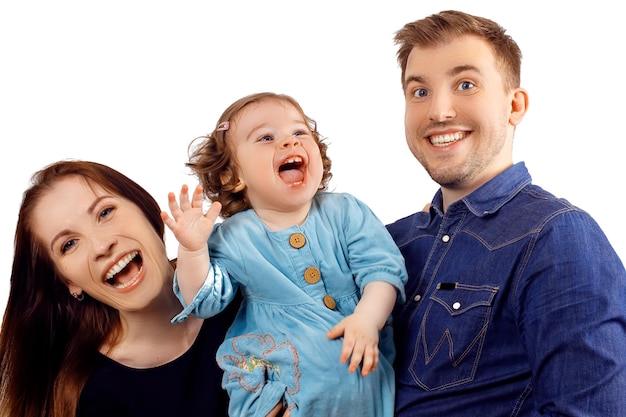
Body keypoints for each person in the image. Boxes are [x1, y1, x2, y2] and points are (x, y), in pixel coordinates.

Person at [387, 10, 626, 416]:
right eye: (420, 91)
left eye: (465, 84)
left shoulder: (556, 235)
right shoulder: (389, 241)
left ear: (514, 106)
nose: (438, 111)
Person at [162, 92, 408, 417]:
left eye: (299, 132)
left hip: (369, 391)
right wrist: (193, 250)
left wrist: (367, 318)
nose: (289, 143)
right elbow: (204, 301)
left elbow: (382, 271)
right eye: (266, 137)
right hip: (281, 391)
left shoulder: (346, 212)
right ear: (232, 177)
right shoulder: (236, 237)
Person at [0, 160, 239, 417]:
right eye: (69, 244)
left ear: (146, 210)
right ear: (68, 281)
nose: (102, 246)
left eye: (105, 213)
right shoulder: (91, 396)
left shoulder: (249, 278)